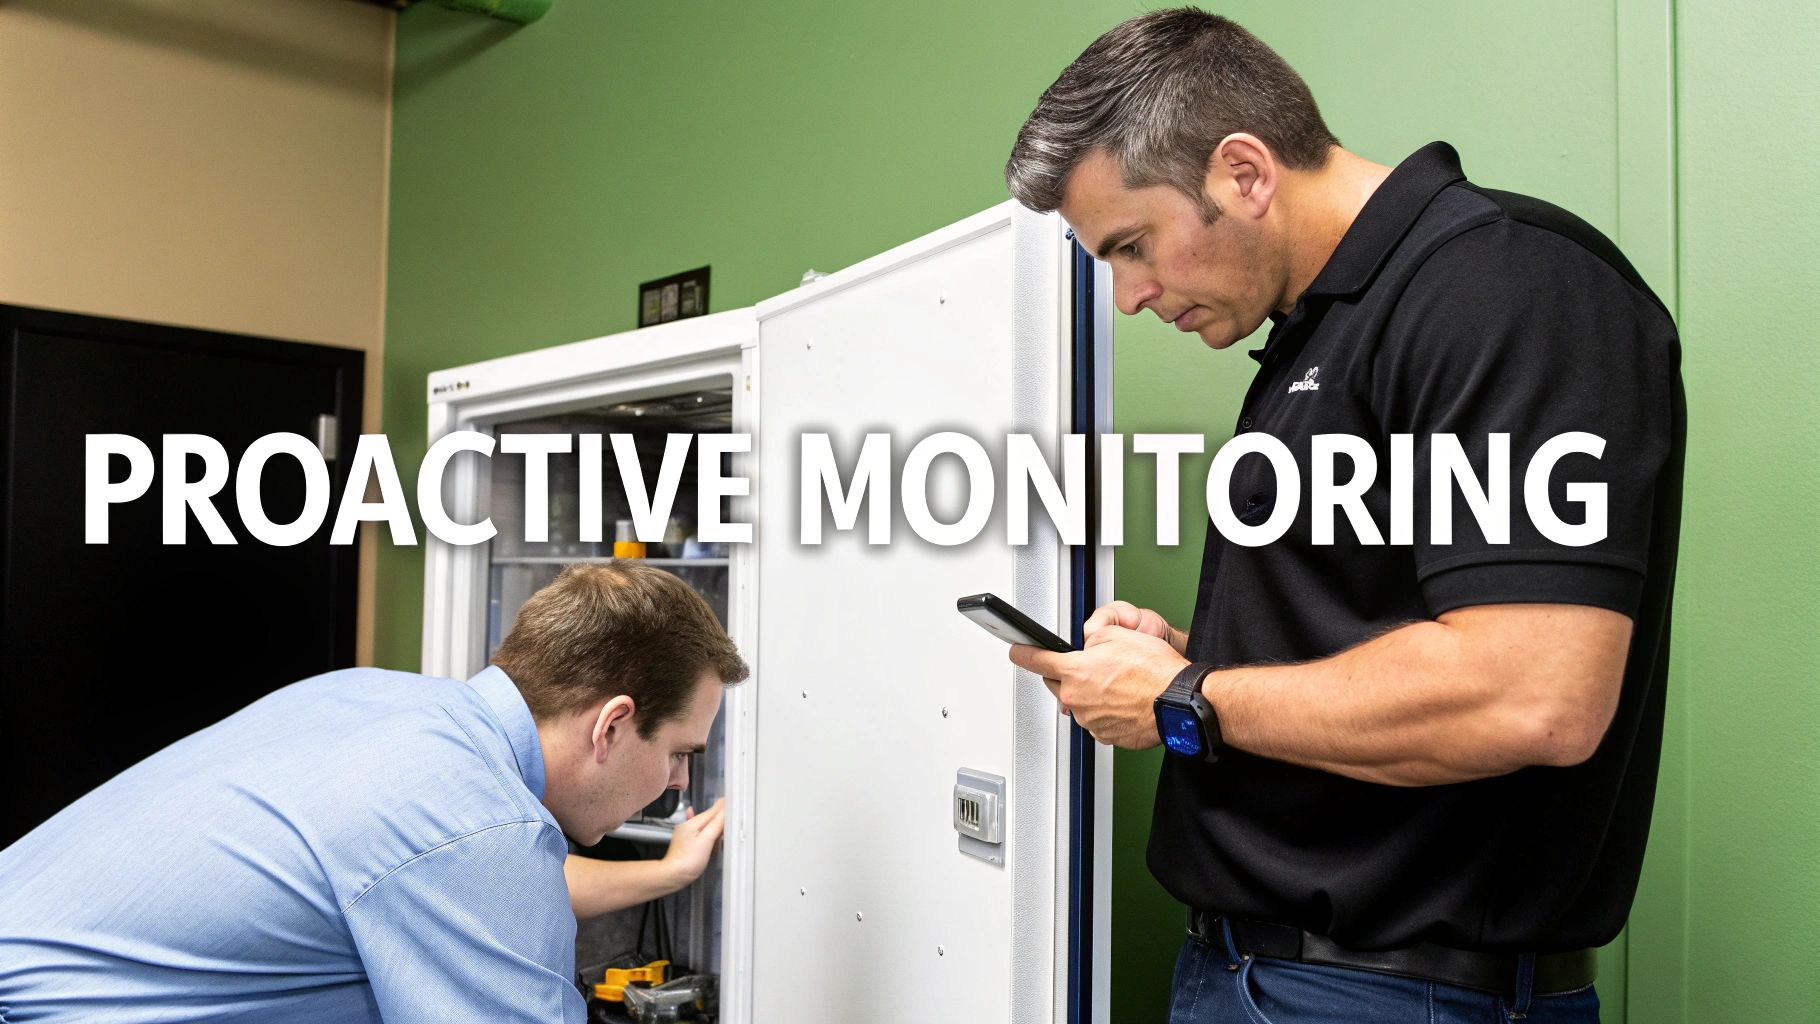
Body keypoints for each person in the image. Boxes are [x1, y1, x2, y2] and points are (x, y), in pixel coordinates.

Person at [1003, 9, 1682, 1023]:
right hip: (1255, 974)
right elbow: (1375, 636)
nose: (1130, 295)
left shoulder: (1502, 288)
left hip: (1389, 992)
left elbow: (1531, 691)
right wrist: (1186, 660)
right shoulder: (1316, 332)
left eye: (1132, 246)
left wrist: (1185, 695)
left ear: (1242, 172)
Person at [0, 563, 748, 1023]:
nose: (677, 784)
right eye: (680, 753)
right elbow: (475, 865)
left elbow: (437, 878)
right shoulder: (478, 828)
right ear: (612, 725)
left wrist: (666, 873)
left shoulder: (372, 698)